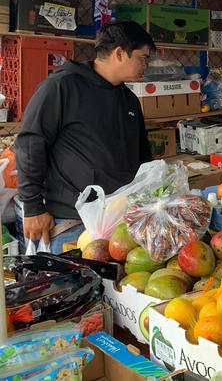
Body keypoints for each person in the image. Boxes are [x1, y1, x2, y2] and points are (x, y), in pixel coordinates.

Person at [15, 20, 156, 253]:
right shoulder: (62, 87)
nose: (146, 65)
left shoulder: (129, 100)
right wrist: (32, 207)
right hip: (72, 223)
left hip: (121, 223)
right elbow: (30, 143)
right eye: (143, 58)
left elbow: (143, 157)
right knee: (73, 288)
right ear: (119, 53)